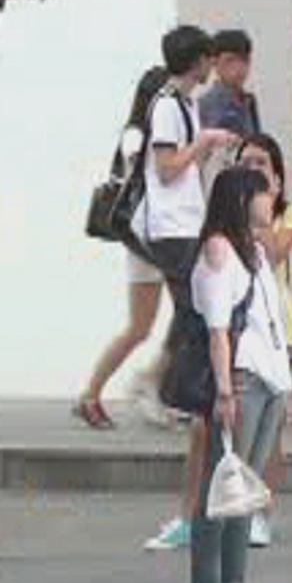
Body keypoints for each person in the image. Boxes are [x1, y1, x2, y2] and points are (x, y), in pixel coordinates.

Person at [133, 26, 240, 553]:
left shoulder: (186, 104)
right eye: (208, 59)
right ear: (196, 60)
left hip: (187, 221)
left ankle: (175, 383)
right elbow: (168, 166)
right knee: (193, 312)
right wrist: (205, 143)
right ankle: (170, 385)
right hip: (171, 226)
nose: (211, 67)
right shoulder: (167, 107)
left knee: (197, 310)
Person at [185, 166, 291, 583]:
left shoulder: (256, 252)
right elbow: (218, 329)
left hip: (270, 376)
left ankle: (235, 582)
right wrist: (225, 389)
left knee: (245, 487)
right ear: (243, 199)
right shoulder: (220, 251)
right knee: (221, 482)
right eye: (263, 194)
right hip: (242, 377)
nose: (271, 202)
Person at [75, 66, 173, 432]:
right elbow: (141, 180)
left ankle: (153, 383)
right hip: (143, 241)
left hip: (160, 236)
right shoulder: (137, 135)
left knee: (182, 317)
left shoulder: (152, 132)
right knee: (140, 327)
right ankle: (94, 393)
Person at [235, 134, 292, 549]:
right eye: (246, 162)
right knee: (242, 429)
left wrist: (260, 213)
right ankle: (236, 508)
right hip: (243, 334)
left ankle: (261, 511)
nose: (253, 170)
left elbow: (274, 254)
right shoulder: (227, 215)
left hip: (280, 330)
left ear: (277, 176)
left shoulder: (289, 215)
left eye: (261, 163)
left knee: (272, 432)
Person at [198, 29, 262, 138]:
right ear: (214, 63)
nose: (238, 68)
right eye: (230, 60)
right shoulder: (207, 105)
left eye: (244, 60)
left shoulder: (249, 101)